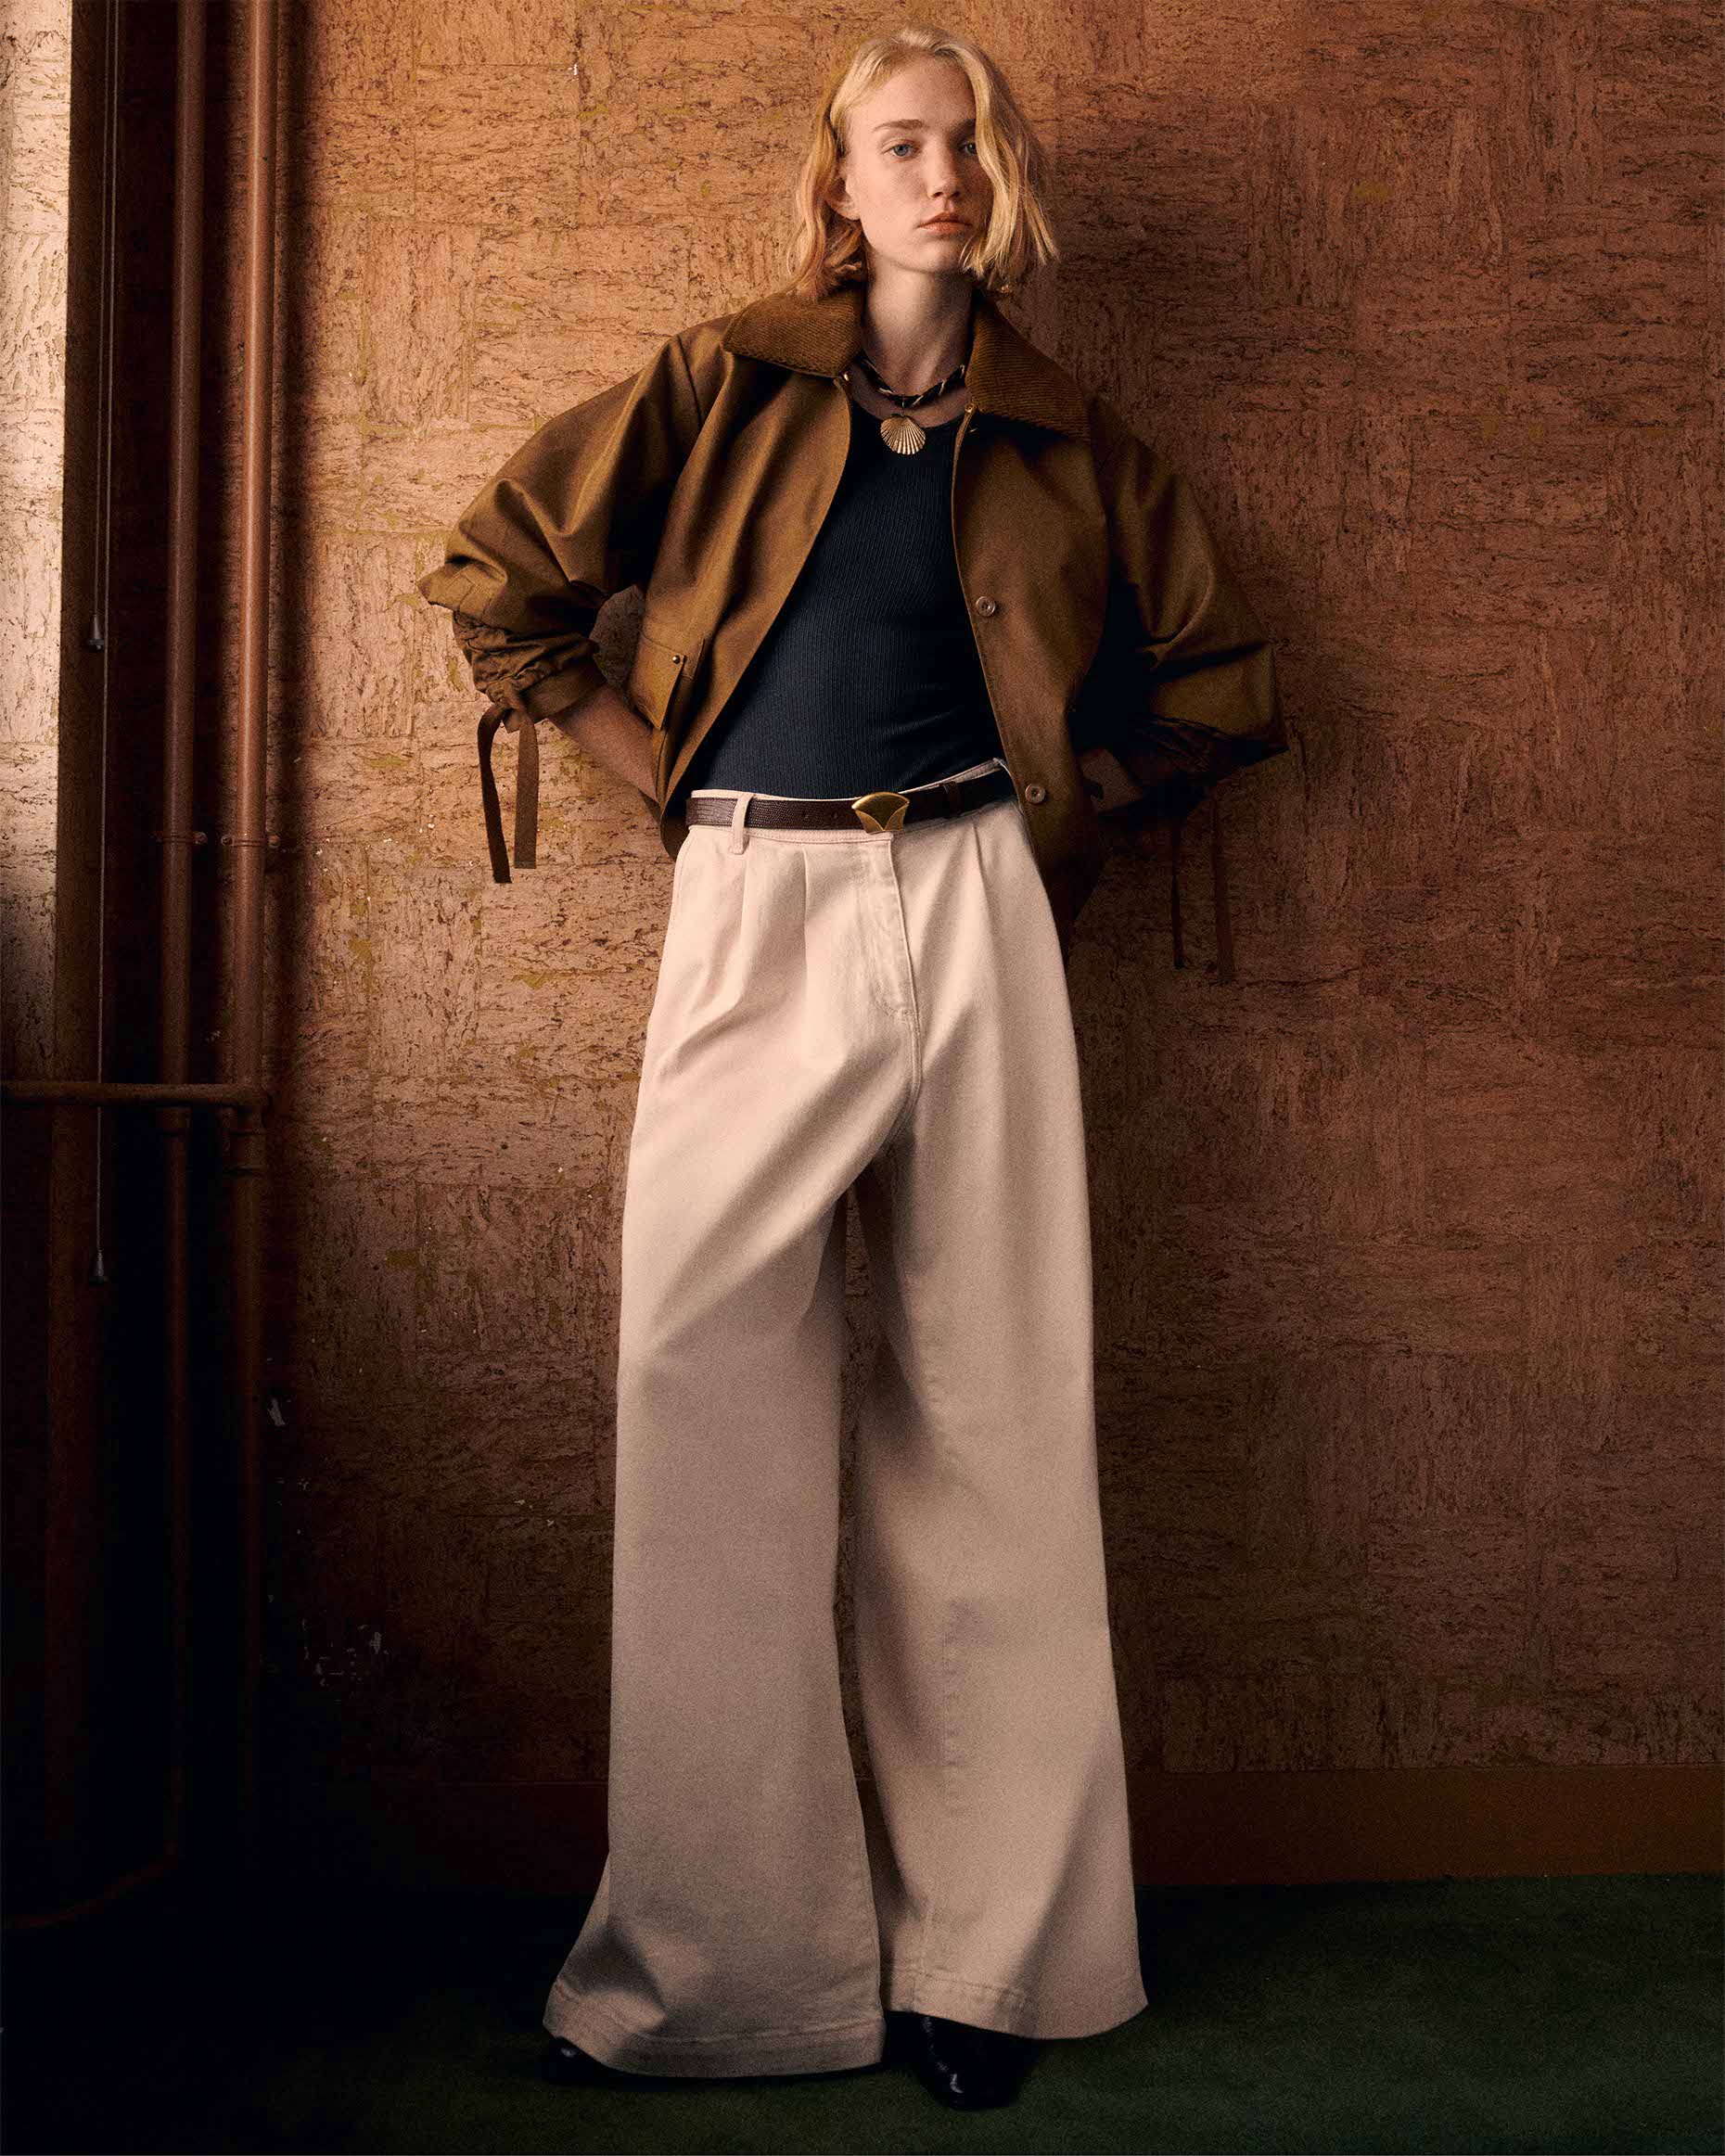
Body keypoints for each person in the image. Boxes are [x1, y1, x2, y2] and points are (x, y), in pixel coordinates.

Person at [416, 21, 1287, 2112]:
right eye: (905, 142)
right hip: (754, 890)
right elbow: (501, 584)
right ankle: (716, 1977)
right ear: (840, 177)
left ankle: (989, 1966)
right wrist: (662, 778)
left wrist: (1061, 805)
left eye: (972, 142)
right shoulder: (722, 379)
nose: (943, 172)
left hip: (977, 898)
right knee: (698, 1388)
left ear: (1007, 181)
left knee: (993, 1407)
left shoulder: (1077, 438)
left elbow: (1228, 685)